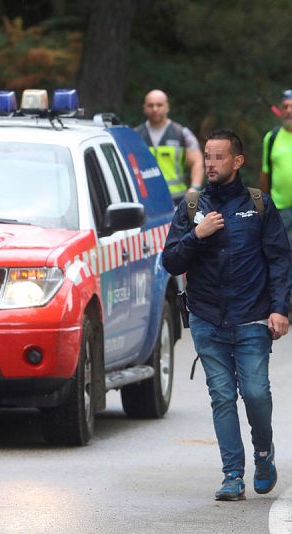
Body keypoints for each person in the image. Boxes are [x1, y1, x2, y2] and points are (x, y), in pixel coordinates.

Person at [163, 129, 292, 501]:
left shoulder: (260, 205)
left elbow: (280, 261)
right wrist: (197, 235)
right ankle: (232, 474)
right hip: (206, 319)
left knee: (255, 393)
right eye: (207, 156)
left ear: (237, 161)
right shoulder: (191, 207)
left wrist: (280, 308)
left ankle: (264, 454)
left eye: (219, 157)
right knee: (221, 396)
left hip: (252, 317)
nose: (211, 163)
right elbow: (170, 261)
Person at [135, 89, 204, 203]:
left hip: (176, 200)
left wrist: (195, 188)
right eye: (150, 105)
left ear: (167, 106)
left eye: (159, 105)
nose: (155, 109)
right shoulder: (135, 136)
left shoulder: (181, 133)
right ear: (144, 108)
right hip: (145, 199)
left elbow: (197, 162)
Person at [260, 89, 292, 246]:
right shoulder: (271, 137)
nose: (289, 111)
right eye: (285, 106)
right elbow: (265, 173)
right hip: (280, 209)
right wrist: (264, 207)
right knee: (282, 253)